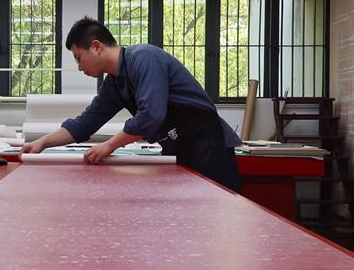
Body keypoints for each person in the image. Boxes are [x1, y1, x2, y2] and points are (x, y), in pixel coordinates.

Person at [22, 16, 242, 193]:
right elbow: (85, 123)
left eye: (79, 58)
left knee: (214, 211)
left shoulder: (143, 57)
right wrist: (42, 143)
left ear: (96, 46)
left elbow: (151, 114)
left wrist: (110, 145)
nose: (79, 67)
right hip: (178, 147)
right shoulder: (114, 84)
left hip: (207, 143)